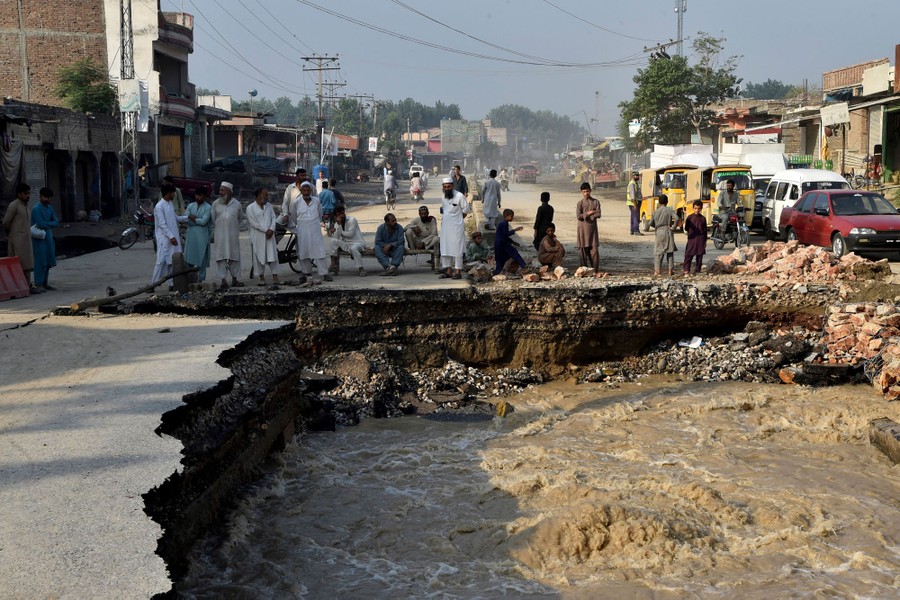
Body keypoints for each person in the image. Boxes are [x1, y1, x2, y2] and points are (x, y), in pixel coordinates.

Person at [291, 181, 331, 284]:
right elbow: (294, 217)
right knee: (304, 252)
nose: (306, 192)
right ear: (301, 191)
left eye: (308, 190)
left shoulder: (316, 201)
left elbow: (319, 214)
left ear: (311, 190)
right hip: (302, 229)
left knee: (320, 251)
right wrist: (302, 224)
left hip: (315, 229)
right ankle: (306, 273)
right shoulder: (296, 202)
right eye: (304, 190)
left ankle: (324, 273)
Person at [150, 183, 189, 288]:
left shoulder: (170, 204)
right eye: (173, 193)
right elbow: (162, 224)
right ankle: (152, 284)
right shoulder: (159, 206)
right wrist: (171, 237)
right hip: (164, 238)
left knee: (172, 261)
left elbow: (175, 218)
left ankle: (171, 284)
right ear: (168, 193)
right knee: (161, 261)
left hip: (172, 237)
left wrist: (187, 217)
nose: (174, 195)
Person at [3, 183, 38, 292]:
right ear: (19, 194)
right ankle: (19, 287)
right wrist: (13, 233)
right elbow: (6, 222)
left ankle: (28, 285)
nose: (28, 196)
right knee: (18, 264)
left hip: (26, 240)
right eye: (25, 193)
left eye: (29, 193)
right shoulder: (14, 205)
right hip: (17, 240)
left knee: (27, 264)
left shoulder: (25, 206)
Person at [211, 181, 244, 289]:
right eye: (219, 190)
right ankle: (223, 280)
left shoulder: (237, 204)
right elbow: (213, 219)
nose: (220, 192)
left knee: (234, 257)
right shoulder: (215, 204)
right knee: (221, 258)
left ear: (229, 192)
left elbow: (240, 218)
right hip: (220, 236)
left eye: (222, 190)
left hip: (232, 236)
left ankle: (235, 279)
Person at [246, 187, 280, 287]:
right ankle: (261, 278)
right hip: (258, 236)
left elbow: (273, 218)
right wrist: (266, 230)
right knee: (258, 256)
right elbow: (254, 223)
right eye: (265, 195)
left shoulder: (268, 206)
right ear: (259, 195)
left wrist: (272, 229)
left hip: (270, 235)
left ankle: (275, 277)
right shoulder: (250, 208)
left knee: (272, 256)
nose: (267, 197)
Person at [438, 177, 469, 279]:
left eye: (449, 187)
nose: (447, 188)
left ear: (452, 186)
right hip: (446, 227)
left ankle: (458, 271)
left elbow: (466, 209)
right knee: (445, 248)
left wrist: (459, 219)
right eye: (445, 187)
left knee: (457, 248)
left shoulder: (459, 196)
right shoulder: (443, 197)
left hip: (456, 227)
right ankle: (449, 271)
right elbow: (445, 210)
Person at [31, 187, 59, 291]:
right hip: (38, 238)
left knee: (48, 261)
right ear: (41, 196)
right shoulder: (36, 209)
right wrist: (50, 224)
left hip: (48, 237)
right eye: (45, 197)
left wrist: (48, 224)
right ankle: (38, 284)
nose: (47, 199)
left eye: (49, 198)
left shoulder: (50, 208)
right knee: (40, 261)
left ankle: (45, 283)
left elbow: (56, 222)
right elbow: (40, 223)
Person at [327, 205, 367, 277]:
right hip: (347, 244)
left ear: (344, 212)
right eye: (338, 215)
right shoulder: (337, 223)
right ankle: (333, 263)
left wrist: (339, 231)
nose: (341, 216)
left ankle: (361, 268)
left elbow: (350, 234)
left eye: (342, 213)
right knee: (333, 241)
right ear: (336, 215)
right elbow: (336, 237)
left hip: (358, 243)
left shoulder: (352, 220)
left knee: (353, 248)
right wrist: (337, 226)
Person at [184, 186, 212, 282]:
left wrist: (193, 218)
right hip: (191, 236)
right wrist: (195, 220)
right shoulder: (191, 206)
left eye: (200, 196)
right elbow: (186, 219)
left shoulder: (208, 208)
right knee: (188, 260)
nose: (198, 197)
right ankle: (188, 280)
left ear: (204, 196)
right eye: (196, 195)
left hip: (203, 237)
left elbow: (204, 221)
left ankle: (201, 280)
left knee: (202, 261)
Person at [576, 182, 600, 271]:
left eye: (587, 191)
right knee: (583, 251)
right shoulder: (580, 203)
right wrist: (589, 213)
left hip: (592, 230)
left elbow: (599, 214)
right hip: (582, 230)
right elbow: (579, 216)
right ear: (581, 192)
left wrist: (590, 215)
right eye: (584, 192)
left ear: (590, 191)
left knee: (594, 251)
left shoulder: (595, 202)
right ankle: (584, 271)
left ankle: (595, 270)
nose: (586, 193)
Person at [494, 208, 527, 275]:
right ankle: (524, 266)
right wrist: (515, 230)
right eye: (511, 216)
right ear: (506, 216)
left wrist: (513, 242)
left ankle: (497, 272)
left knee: (501, 259)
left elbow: (503, 235)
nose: (512, 218)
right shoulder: (504, 223)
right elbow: (506, 234)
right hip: (503, 244)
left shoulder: (503, 223)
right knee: (514, 252)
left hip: (499, 244)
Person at [652, 193, 677, 277]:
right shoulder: (669, 210)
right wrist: (673, 227)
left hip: (659, 232)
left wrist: (656, 225)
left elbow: (651, 222)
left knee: (658, 252)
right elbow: (677, 218)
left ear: (659, 202)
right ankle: (670, 270)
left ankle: (657, 271)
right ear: (667, 202)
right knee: (669, 251)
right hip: (668, 231)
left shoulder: (655, 212)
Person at [683, 200, 708, 276]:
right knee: (688, 255)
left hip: (700, 239)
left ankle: (698, 270)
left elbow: (705, 230)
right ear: (693, 208)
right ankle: (686, 270)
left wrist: (705, 241)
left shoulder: (703, 219)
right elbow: (687, 228)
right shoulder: (689, 218)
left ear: (701, 209)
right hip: (692, 239)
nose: (697, 210)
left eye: (698, 208)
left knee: (699, 255)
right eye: (695, 208)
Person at [626, 172, 643, 236]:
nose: (638, 177)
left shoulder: (635, 183)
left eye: (638, 176)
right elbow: (633, 196)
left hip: (634, 203)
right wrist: (635, 205)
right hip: (633, 203)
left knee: (633, 217)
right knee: (636, 217)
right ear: (633, 176)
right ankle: (636, 230)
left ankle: (632, 230)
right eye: (637, 176)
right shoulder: (632, 184)